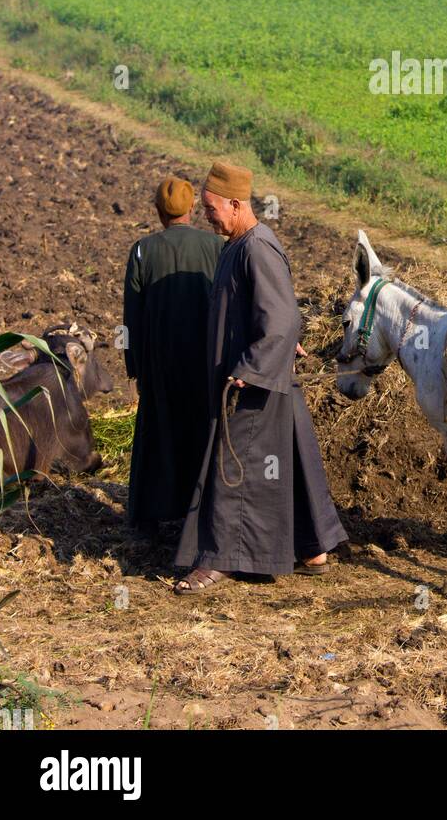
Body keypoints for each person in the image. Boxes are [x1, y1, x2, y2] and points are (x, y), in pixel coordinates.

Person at [174, 160, 346, 594]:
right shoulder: (238, 243)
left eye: (212, 208)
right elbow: (272, 314)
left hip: (250, 385)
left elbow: (282, 317)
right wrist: (282, 344)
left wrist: (252, 366)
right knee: (283, 463)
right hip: (262, 376)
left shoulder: (257, 246)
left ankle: (221, 560)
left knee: (236, 468)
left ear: (235, 204)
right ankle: (312, 549)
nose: (206, 215)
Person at [123, 175, 224, 536]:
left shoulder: (142, 250)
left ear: (157, 211)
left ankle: (150, 514)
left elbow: (131, 316)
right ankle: (198, 511)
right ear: (193, 208)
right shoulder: (215, 245)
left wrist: (134, 363)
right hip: (204, 361)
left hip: (160, 363)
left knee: (158, 431)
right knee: (201, 431)